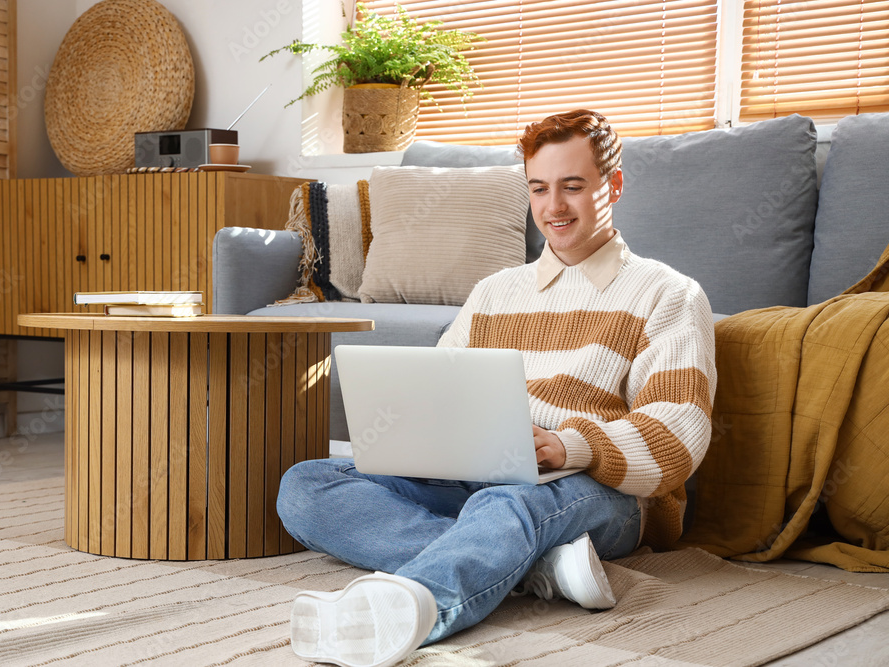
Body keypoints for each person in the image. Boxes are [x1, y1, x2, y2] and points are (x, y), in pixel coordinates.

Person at [276, 109, 717, 667]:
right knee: (306, 485)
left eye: (573, 187)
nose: (553, 207)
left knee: (507, 502)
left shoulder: (668, 294)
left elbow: (677, 437)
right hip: (476, 477)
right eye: (539, 188)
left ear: (615, 186)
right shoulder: (494, 292)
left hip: (601, 491)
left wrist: (568, 446)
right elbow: (438, 396)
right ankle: (541, 569)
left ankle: (411, 608)